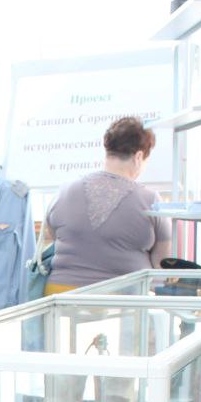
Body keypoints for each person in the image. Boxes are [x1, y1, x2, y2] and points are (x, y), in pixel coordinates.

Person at [41, 116, 171, 293]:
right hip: (122, 303)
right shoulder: (150, 201)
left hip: (62, 299)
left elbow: (55, 235)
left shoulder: (64, 192)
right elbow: (161, 263)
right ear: (139, 157)